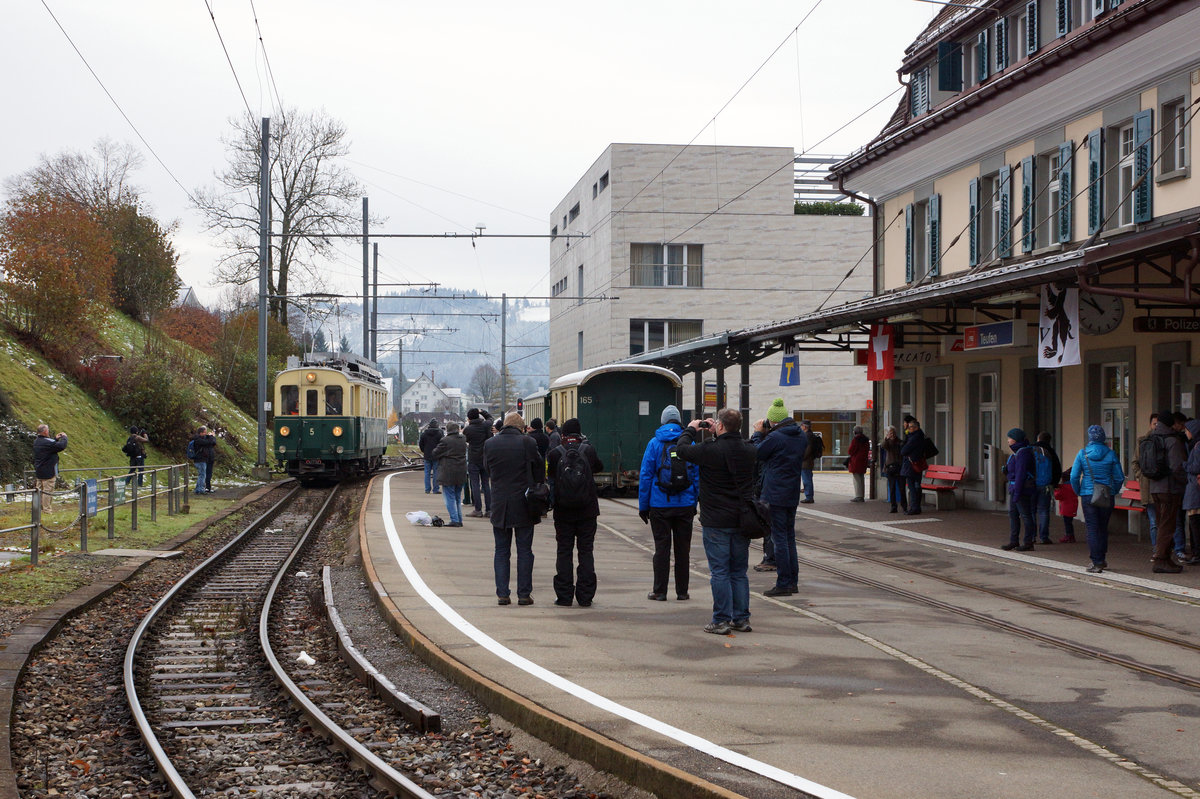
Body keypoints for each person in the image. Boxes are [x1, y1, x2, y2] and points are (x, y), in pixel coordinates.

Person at [674, 408, 757, 636]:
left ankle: (721, 619)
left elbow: (681, 450)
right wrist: (717, 433)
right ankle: (741, 618)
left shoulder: (710, 450)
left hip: (716, 521)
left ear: (720, 426)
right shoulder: (749, 450)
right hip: (742, 519)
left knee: (719, 571)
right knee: (739, 572)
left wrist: (691, 428)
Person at [638, 405, 700, 601]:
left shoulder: (654, 443)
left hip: (659, 505)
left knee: (661, 549)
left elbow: (646, 476)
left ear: (663, 421)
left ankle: (659, 591)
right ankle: (682, 592)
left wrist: (643, 506)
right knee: (683, 550)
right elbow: (697, 475)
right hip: (684, 505)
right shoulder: (688, 443)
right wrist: (694, 501)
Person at [483, 412, 545, 605]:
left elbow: (487, 469)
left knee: (501, 550)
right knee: (525, 550)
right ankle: (524, 594)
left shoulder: (490, 444)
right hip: (524, 504)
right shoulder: (527, 443)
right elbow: (539, 471)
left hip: (500, 503)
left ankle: (502, 594)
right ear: (521, 427)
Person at [751, 399, 806, 598]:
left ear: (773, 421)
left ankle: (783, 582)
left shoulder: (776, 437)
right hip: (791, 493)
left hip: (775, 494)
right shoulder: (800, 435)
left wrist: (758, 434)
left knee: (779, 538)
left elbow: (757, 453)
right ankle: (792, 581)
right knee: (789, 538)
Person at [546, 418, 603, 607]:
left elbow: (552, 477)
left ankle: (564, 596)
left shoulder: (555, 454)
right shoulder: (588, 450)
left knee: (564, 552)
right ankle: (586, 596)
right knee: (586, 551)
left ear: (563, 434)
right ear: (579, 433)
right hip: (587, 510)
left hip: (563, 512)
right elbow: (598, 467)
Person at [1070, 425, 1125, 573]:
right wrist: (1112, 490)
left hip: (1088, 494)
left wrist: (1079, 491)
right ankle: (1102, 557)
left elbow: (1074, 476)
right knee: (1102, 527)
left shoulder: (1082, 454)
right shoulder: (1111, 454)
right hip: (1107, 494)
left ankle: (1096, 561)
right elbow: (1119, 477)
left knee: (1092, 528)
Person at [1146, 408, 1187, 573]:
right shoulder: (1172, 440)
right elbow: (1177, 466)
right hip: (1170, 488)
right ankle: (1161, 559)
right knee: (1167, 525)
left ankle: (1165, 558)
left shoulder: (1151, 438)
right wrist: (1186, 481)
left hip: (1154, 486)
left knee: (1161, 521)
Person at [1001, 428, 1038, 552]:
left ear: (1015, 439)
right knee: (1013, 515)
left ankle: (1028, 542)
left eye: (1009, 438)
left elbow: (1021, 474)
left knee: (1026, 515)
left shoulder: (1023, 453)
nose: (1008, 440)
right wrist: (1007, 472)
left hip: (1022, 489)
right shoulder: (1018, 452)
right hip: (1015, 488)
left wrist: (1017, 492)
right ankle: (1014, 540)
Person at [431, 421, 467, 527]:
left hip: (448, 472)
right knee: (457, 497)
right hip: (461, 471)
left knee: (449, 497)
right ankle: (459, 520)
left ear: (448, 430)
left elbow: (434, 453)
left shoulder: (445, 440)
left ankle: (454, 520)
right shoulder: (463, 440)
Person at [1032, 432, 1063, 545]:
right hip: (1046, 485)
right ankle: (1044, 537)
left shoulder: (1031, 449)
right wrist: (1053, 484)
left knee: (1031, 511)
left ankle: (1032, 536)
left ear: (1038, 438)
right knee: (1043, 511)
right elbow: (1057, 470)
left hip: (1032, 484)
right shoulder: (1050, 452)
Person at [463, 409, 493, 518]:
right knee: (486, 484)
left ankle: (478, 509)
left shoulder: (468, 430)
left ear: (469, 418)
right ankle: (489, 510)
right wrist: (482, 411)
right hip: (485, 458)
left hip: (473, 459)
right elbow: (490, 418)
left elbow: (466, 441)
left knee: (475, 484)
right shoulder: (486, 425)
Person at [32, 424, 67, 512]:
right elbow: (61, 446)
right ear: (45, 431)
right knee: (47, 491)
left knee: (39, 490)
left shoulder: (37, 441)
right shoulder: (48, 443)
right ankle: (46, 510)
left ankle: (38, 510)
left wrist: (55, 439)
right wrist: (64, 438)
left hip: (39, 470)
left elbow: (50, 445)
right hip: (49, 470)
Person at [900, 417, 926, 515]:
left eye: (910, 427)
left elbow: (903, 451)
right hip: (917, 465)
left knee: (912, 487)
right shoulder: (921, 436)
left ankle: (914, 507)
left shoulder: (914, 438)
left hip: (911, 466)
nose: (908, 429)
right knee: (917, 486)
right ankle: (916, 506)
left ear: (915, 428)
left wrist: (907, 438)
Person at [1182, 419, 1200, 565]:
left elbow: (1195, 467)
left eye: (1187, 430)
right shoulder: (1194, 446)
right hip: (1194, 487)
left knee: (1195, 523)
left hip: (1195, 488)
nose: (1185, 432)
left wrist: (1184, 465)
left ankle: (1197, 553)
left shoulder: (1197, 447)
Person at [879, 425, 906, 513]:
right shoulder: (887, 443)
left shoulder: (900, 442)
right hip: (890, 468)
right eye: (890, 433)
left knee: (902, 488)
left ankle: (904, 505)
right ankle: (893, 506)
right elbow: (883, 446)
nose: (892, 434)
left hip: (899, 467)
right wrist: (886, 439)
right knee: (892, 487)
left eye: (893, 432)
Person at [419, 420, 443, 494]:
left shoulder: (424, 434)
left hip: (427, 455)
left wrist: (424, 451)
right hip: (436, 456)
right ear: (437, 425)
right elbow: (442, 444)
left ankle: (427, 489)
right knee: (436, 473)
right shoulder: (439, 434)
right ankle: (435, 489)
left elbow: (421, 444)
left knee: (427, 473)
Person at [798, 419, 820, 504]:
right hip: (809, 461)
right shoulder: (811, 435)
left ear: (804, 426)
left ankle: (809, 497)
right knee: (807, 478)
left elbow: (808, 449)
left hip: (806, 462)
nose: (800, 427)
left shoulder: (807, 436)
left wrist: (801, 457)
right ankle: (809, 495)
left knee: (806, 479)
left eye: (801, 425)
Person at [847, 425, 870, 502]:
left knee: (856, 479)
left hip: (856, 461)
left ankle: (858, 496)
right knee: (861, 478)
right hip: (863, 461)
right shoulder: (866, 440)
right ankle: (861, 495)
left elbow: (851, 451)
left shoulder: (856, 440)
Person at [1055, 468, 1078, 543]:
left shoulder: (1064, 487)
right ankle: (1070, 535)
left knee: (1067, 523)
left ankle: (1069, 535)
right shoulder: (1073, 486)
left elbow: (1058, 496)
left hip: (1066, 508)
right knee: (1069, 522)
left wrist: (1056, 490)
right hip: (1073, 506)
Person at [191, 426, 216, 495]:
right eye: (204, 432)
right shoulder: (198, 440)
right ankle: (201, 489)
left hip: (202, 460)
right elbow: (207, 442)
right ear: (201, 433)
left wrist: (210, 436)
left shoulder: (200, 439)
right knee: (202, 475)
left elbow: (211, 443)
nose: (206, 434)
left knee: (201, 475)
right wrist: (212, 436)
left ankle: (198, 489)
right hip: (200, 460)